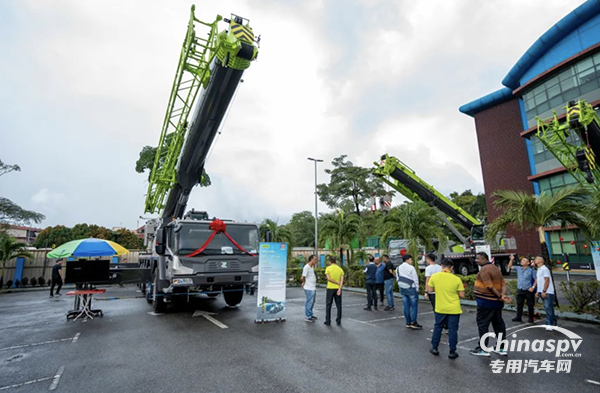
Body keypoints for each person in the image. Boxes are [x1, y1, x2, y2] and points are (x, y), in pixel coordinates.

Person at [470, 252, 510, 357]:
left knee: (483, 324)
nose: (476, 260)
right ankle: (501, 347)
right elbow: (503, 283)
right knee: (498, 324)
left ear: (484, 259)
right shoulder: (495, 268)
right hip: (496, 303)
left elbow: (489, 286)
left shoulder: (484, 270)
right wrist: (502, 295)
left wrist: (499, 296)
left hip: (486, 302)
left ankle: (483, 349)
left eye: (477, 259)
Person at [427, 259, 464, 359]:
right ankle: (452, 351)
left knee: (438, 327)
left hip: (440, 308)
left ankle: (434, 348)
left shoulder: (435, 277)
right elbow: (462, 295)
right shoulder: (456, 279)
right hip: (454, 308)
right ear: (451, 267)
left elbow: (430, 290)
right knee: (452, 330)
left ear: (441, 266)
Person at [508, 254, 536, 323]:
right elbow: (510, 266)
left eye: (524, 260)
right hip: (520, 289)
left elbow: (536, 280)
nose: (522, 261)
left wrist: (533, 287)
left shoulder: (531, 270)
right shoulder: (518, 268)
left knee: (530, 305)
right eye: (522, 260)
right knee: (519, 304)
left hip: (528, 290)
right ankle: (518, 317)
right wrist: (511, 259)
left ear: (528, 263)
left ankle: (531, 318)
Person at [396, 254, 422, 329]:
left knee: (406, 306)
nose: (411, 261)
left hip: (402, 288)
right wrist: (417, 288)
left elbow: (397, 278)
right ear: (407, 260)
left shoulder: (398, 268)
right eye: (411, 259)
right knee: (414, 306)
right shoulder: (411, 268)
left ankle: (408, 322)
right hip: (411, 287)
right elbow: (415, 279)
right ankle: (413, 322)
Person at [424, 253, 447, 333]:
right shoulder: (440, 267)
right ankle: (446, 326)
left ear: (429, 259)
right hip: (441, 291)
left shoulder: (428, 268)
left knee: (436, 310)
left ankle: (439, 326)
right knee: (443, 308)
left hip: (432, 291)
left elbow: (428, 280)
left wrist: (426, 291)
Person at [535, 256, 557, 330]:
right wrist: (538, 291)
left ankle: (549, 324)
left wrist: (544, 291)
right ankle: (553, 323)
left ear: (541, 261)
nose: (535, 260)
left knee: (548, 308)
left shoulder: (544, 269)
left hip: (547, 292)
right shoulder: (539, 269)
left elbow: (547, 280)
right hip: (542, 291)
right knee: (548, 308)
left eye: (536, 259)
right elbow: (539, 281)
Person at [325, 256, 344, 326]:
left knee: (328, 305)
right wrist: (339, 288)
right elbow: (342, 280)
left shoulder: (328, 269)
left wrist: (336, 282)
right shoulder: (340, 269)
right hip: (337, 289)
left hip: (330, 288)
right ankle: (338, 320)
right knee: (339, 305)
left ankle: (328, 320)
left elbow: (328, 278)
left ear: (330, 261)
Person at [302, 255, 318, 323]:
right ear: (311, 259)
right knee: (309, 302)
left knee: (312, 302)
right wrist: (303, 282)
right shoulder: (306, 267)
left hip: (312, 287)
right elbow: (303, 277)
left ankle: (310, 314)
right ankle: (307, 316)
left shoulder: (312, 267)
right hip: (309, 288)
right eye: (315, 259)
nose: (316, 261)